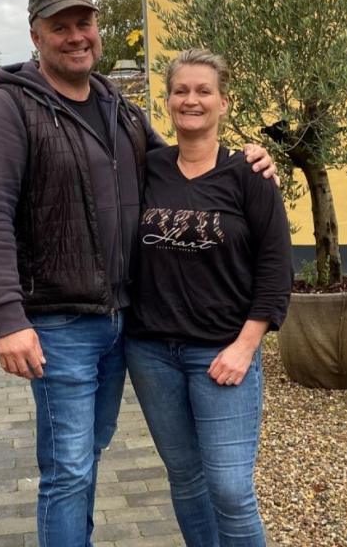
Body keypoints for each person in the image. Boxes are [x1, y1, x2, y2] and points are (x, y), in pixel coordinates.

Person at [0, 0, 276, 547]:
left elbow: (180, 162)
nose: (76, 37)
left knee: (89, 455)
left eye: (84, 24)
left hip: (122, 324)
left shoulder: (120, 111)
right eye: (60, 27)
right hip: (58, 325)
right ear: (35, 36)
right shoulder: (7, 111)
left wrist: (245, 161)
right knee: (69, 470)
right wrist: (7, 318)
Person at [125, 49, 293, 547]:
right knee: (186, 478)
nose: (191, 100)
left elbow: (276, 268)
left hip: (222, 352)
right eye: (181, 91)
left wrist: (246, 346)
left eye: (203, 91)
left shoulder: (251, 175)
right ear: (169, 100)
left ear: (223, 103)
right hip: (152, 352)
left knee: (231, 488)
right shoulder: (147, 169)